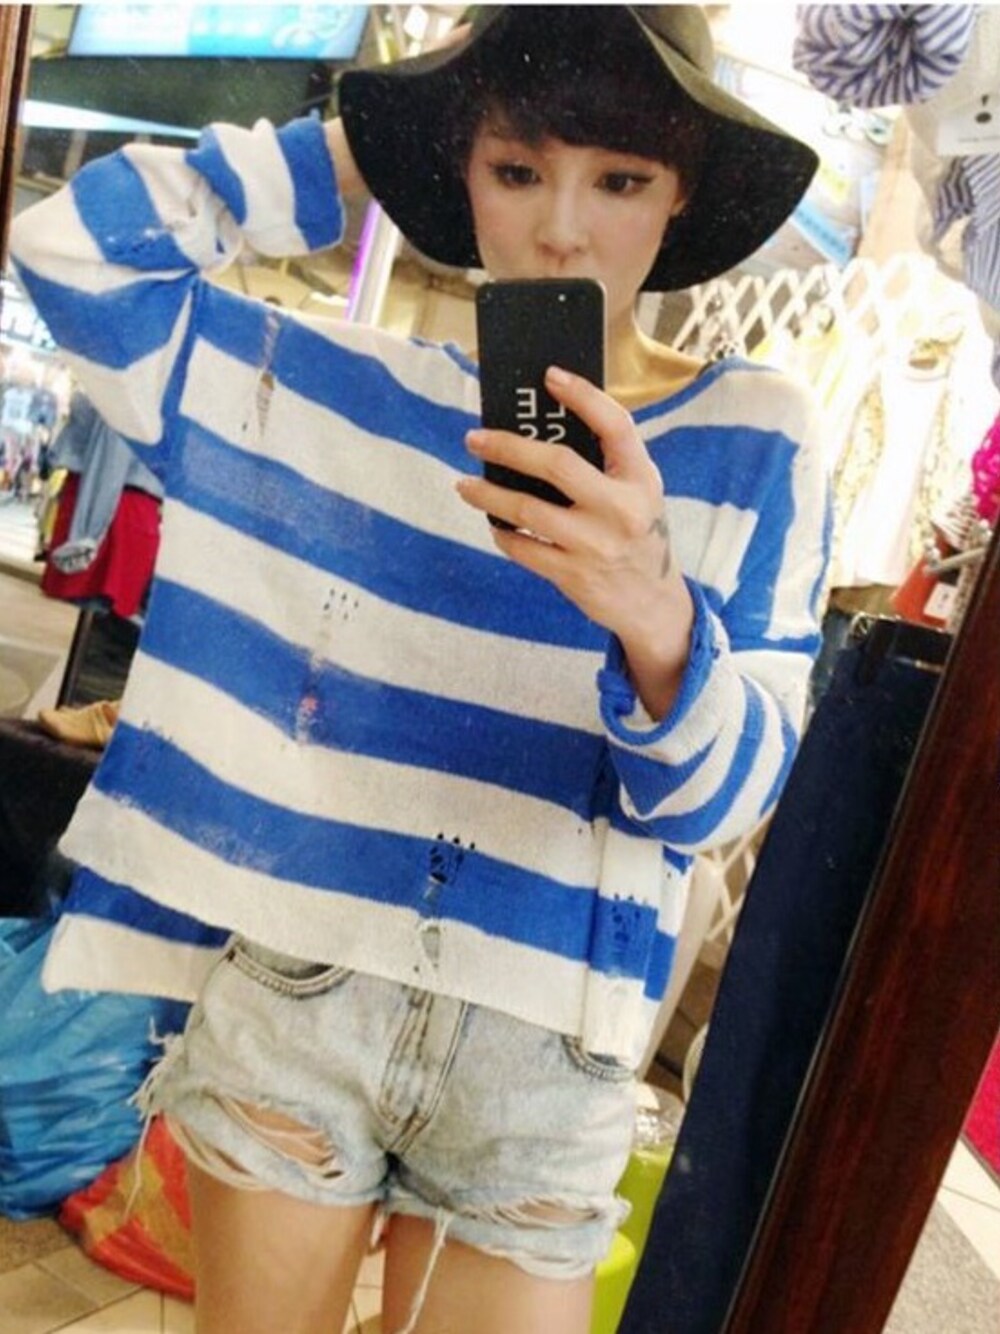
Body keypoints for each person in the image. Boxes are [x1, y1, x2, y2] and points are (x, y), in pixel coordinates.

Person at [9, 8, 828, 1333]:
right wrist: (359, 150)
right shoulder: (336, 393)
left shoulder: (756, 438)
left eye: (620, 179)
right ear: (464, 171)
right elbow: (70, 249)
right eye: (517, 169)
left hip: (544, 1056)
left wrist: (653, 612)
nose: (562, 229)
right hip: (307, 992)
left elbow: (719, 807)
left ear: (681, 193)